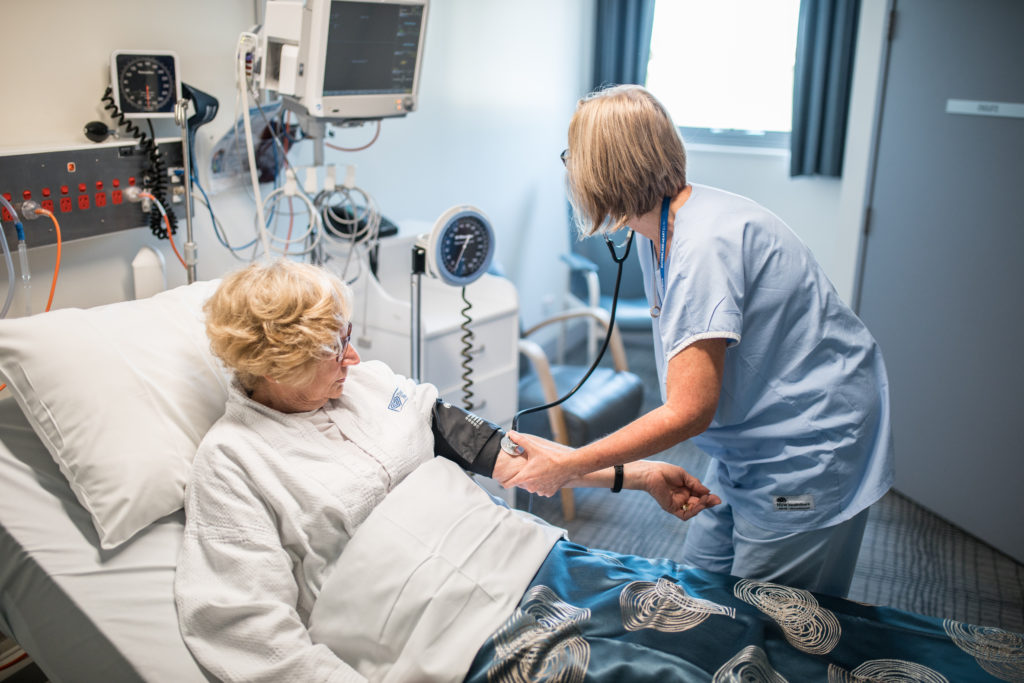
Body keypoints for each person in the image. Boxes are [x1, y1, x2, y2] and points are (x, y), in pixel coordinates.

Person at [173, 259, 719, 682]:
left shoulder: (372, 385)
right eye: (335, 349)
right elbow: (249, 631)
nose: (355, 358)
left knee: (710, 621)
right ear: (279, 367)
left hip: (525, 560)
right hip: (438, 634)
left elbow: (506, 456)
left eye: (349, 335)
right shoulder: (234, 465)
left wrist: (637, 474)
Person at [502, 84, 894, 599]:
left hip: (808, 446)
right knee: (701, 589)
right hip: (747, 442)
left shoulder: (702, 246)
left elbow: (689, 411)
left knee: (770, 623)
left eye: (572, 157)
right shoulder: (658, 230)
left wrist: (572, 465)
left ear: (602, 170)